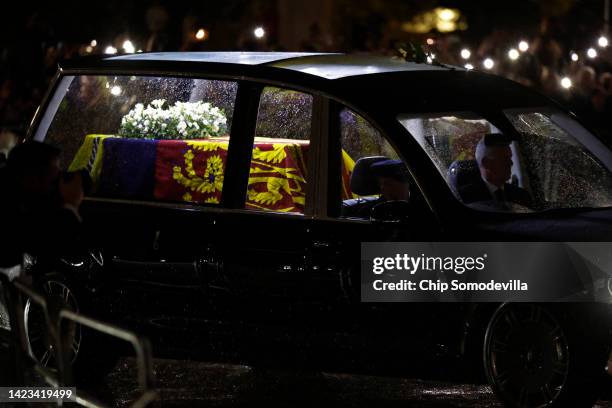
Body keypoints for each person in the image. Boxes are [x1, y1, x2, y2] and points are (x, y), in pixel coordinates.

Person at [0, 141, 84, 279]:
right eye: (52, 181)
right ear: (31, 179)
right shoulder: (10, 210)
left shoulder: (16, 198)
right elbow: (66, 249)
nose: (56, 187)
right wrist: (71, 203)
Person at [456, 134, 531, 209]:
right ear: (486, 163)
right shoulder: (464, 198)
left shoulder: (521, 196)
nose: (511, 163)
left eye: (510, 157)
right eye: (504, 159)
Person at [342, 159, 411, 218]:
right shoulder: (371, 212)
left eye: (388, 184)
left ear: (406, 183)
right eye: (380, 184)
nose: (383, 189)